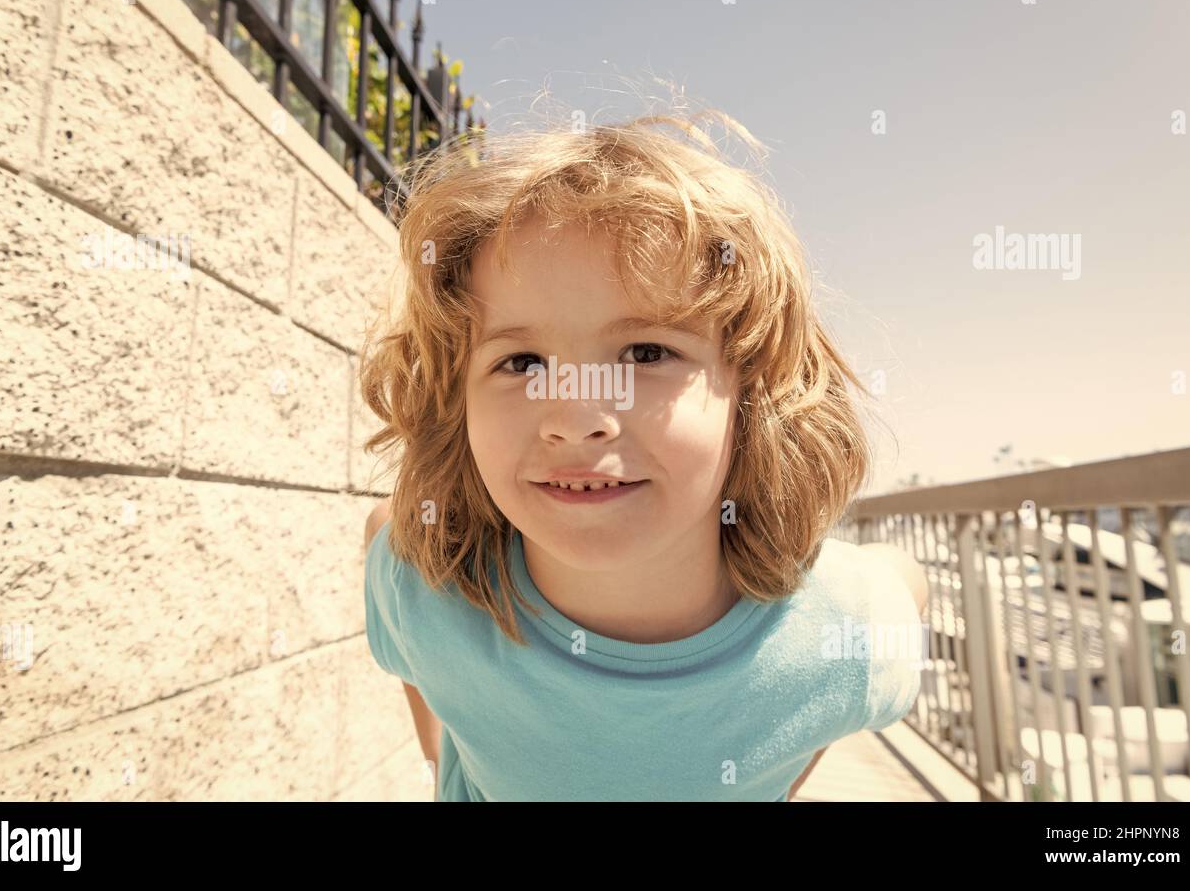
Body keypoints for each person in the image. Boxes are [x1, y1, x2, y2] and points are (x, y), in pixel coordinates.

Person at [358, 109, 927, 801]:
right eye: (522, 361)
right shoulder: (424, 592)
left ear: (755, 393)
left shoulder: (843, 628)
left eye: (647, 353)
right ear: (460, 402)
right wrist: (439, 753)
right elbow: (387, 535)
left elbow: (906, 585)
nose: (575, 419)